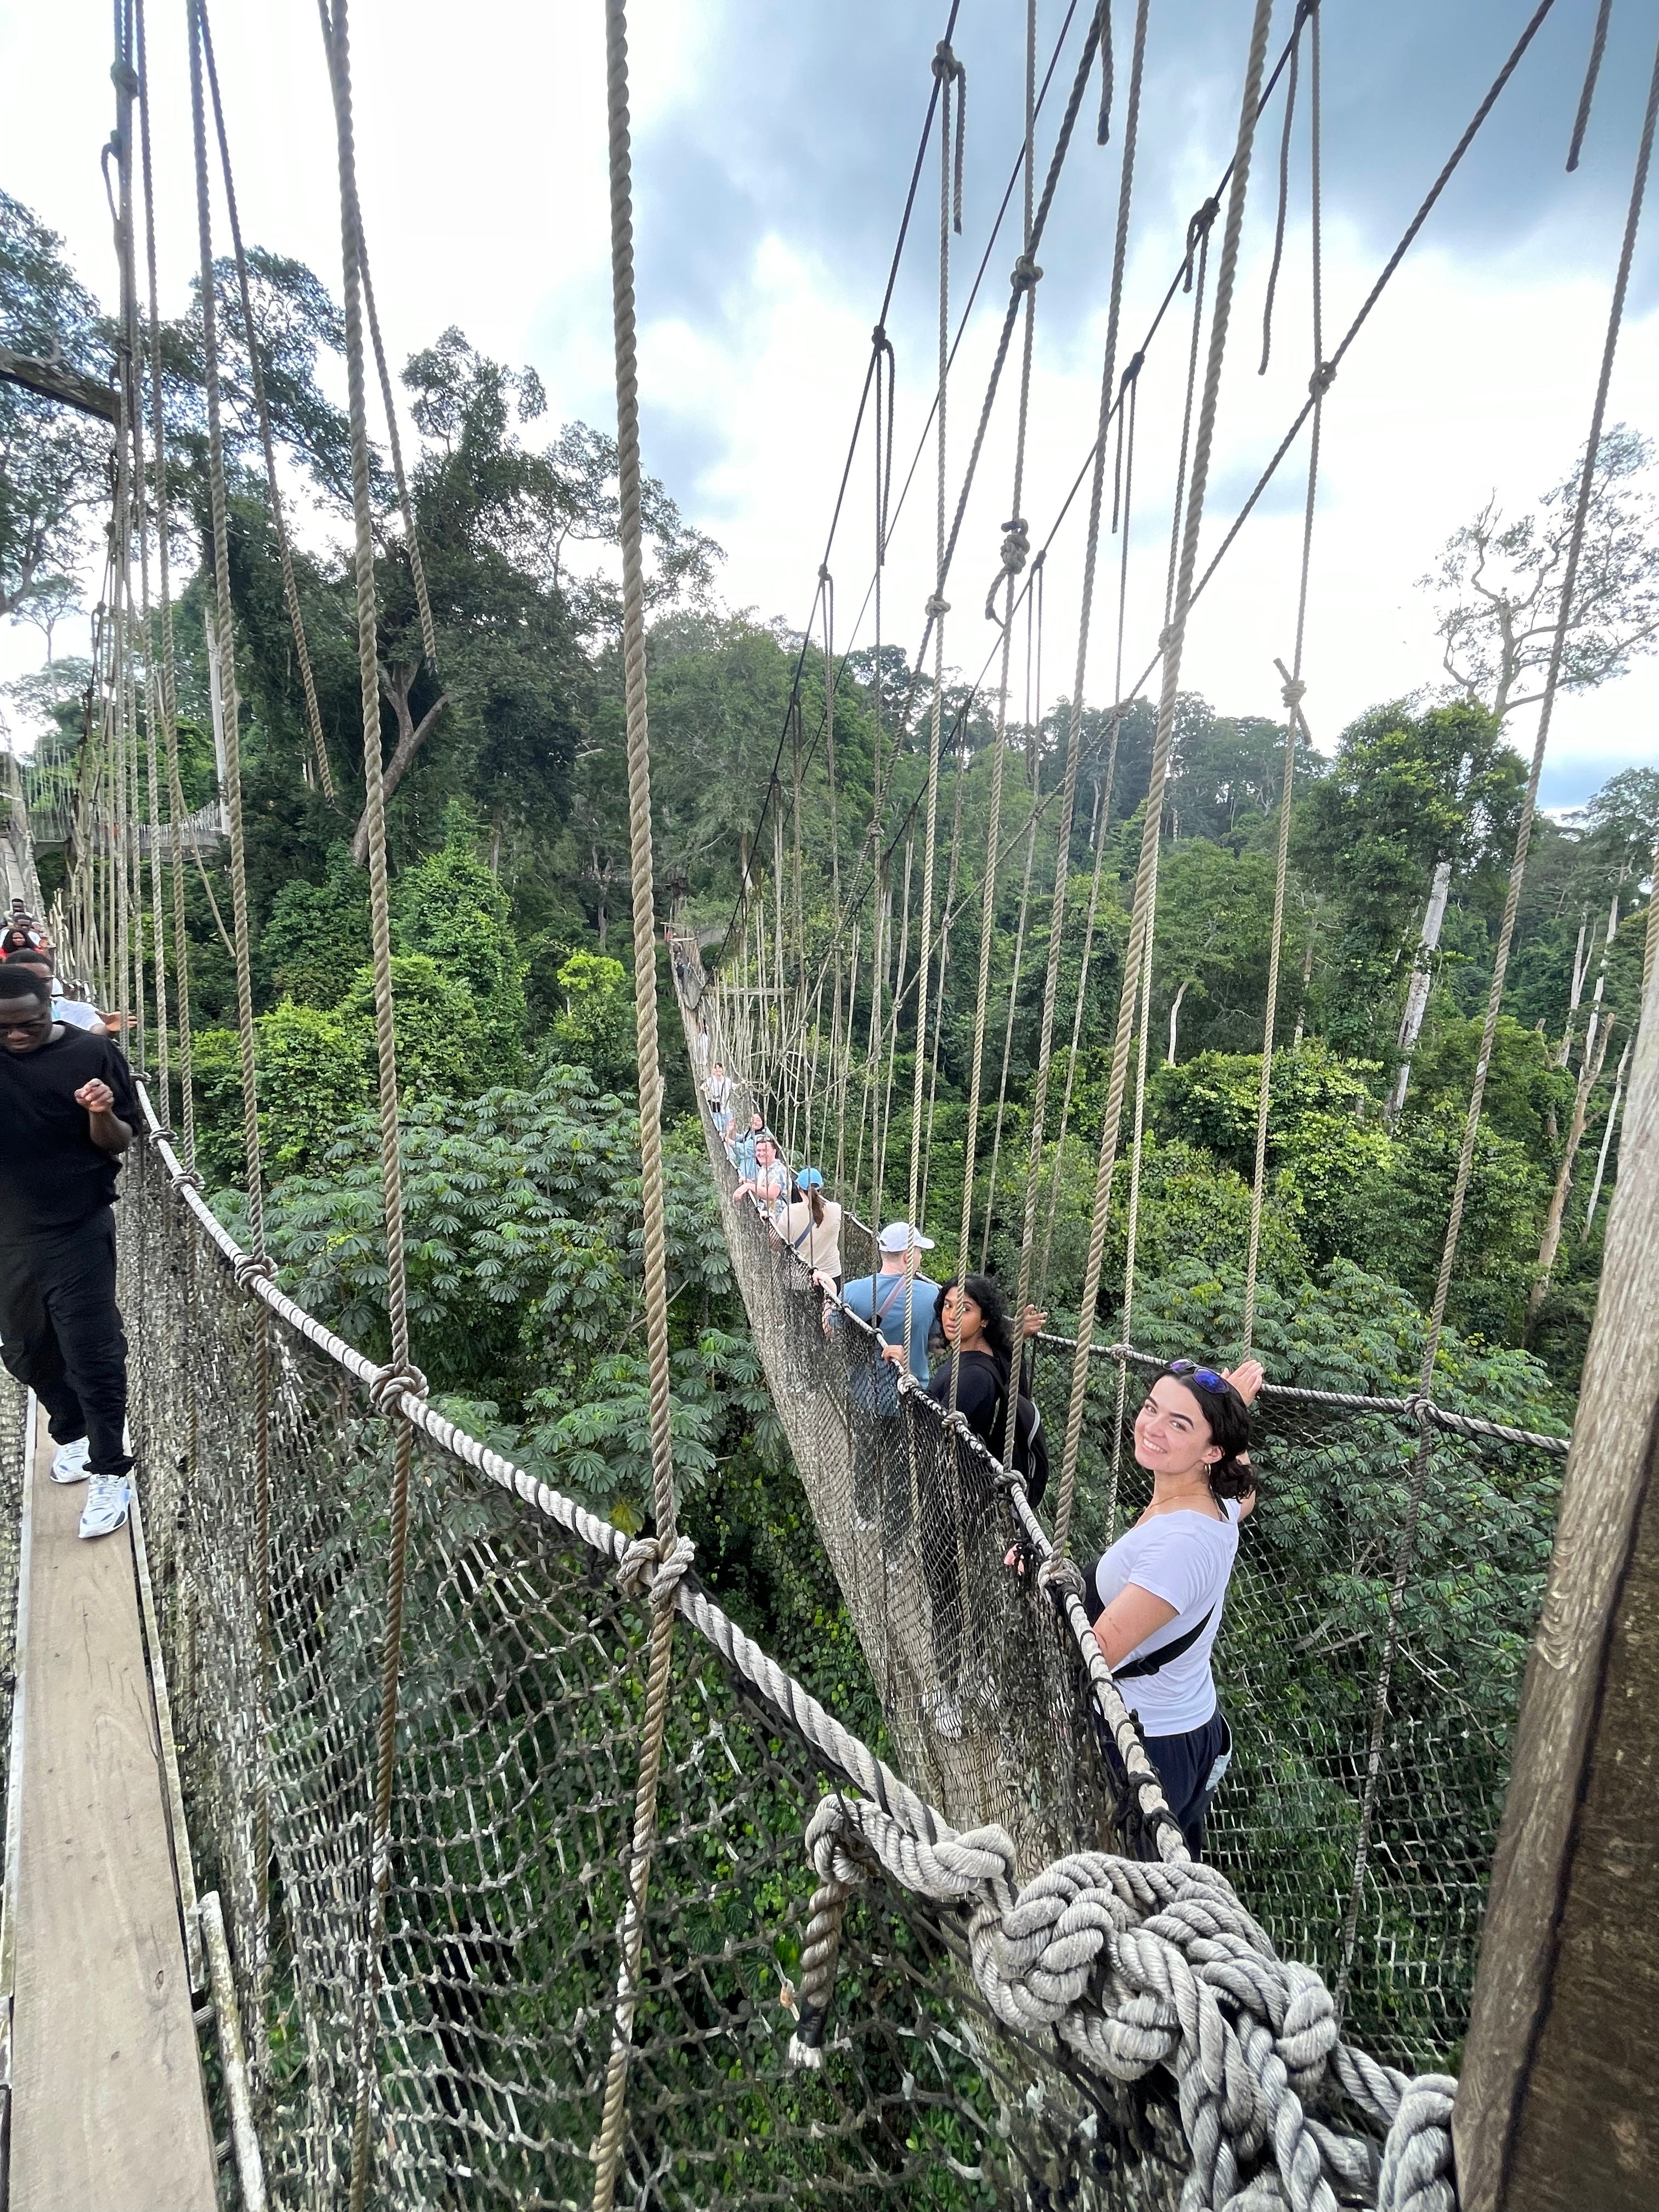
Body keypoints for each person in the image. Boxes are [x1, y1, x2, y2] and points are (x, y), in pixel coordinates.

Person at [1085, 1357, 1263, 1859]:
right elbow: (1246, 1492)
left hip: (1148, 1743)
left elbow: (1096, 1654)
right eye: (1151, 1409)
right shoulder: (1218, 1502)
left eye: (1179, 1424)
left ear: (1211, 1450)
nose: (1152, 1427)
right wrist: (1230, 1410)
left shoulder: (1181, 1545)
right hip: (1187, 1726)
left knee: (1132, 1885)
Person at [0, 962, 140, 1540]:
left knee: (92, 1352)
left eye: (28, 1025)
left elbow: (120, 1142)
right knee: (26, 1353)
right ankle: (73, 1432)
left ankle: (110, 1471)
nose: (15, 1035)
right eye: (3, 1028)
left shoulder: (91, 1054)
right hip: (8, 1237)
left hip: (76, 1227)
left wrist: (100, 1112)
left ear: (50, 1010)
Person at [926, 1274, 1049, 1505]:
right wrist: (1016, 1332)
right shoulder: (988, 1353)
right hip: (958, 1486)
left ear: (984, 1320)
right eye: (948, 1305)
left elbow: (930, 1430)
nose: (951, 1316)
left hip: (952, 1494)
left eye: (965, 1309)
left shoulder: (975, 1376)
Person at [5, 947, 108, 1033]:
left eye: (45, 980)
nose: (37, 986)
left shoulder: (77, 1010)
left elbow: (96, 1029)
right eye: (28, 980)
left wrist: (108, 1028)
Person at [776, 1166, 842, 1291]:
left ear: (799, 1188)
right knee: (830, 1305)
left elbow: (777, 1246)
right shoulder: (836, 1210)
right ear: (821, 1188)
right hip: (831, 1278)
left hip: (800, 1280)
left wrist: (772, 1223)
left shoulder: (790, 1212)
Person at [733, 1133, 787, 1218]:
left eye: (765, 1150)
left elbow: (772, 1194)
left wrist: (749, 1186)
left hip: (778, 1221)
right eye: (759, 1151)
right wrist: (749, 1182)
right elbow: (762, 1189)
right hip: (765, 1217)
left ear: (774, 1152)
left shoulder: (779, 1170)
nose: (761, 1154)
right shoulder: (764, 1168)